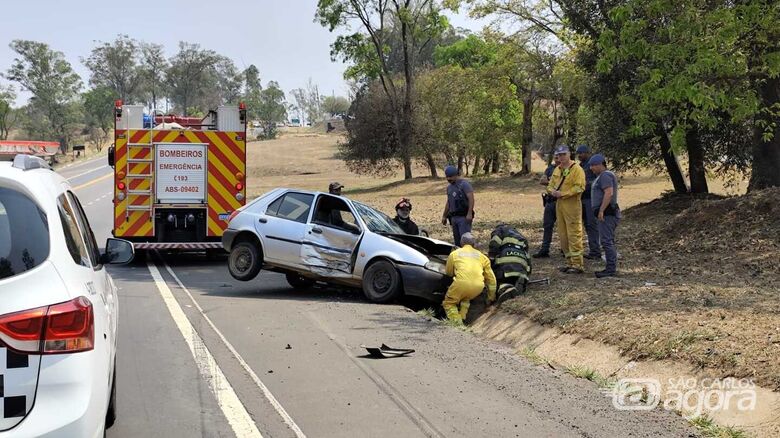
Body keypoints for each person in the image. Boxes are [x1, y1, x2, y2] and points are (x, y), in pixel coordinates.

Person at [547, 145, 586, 274]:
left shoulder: (577, 170)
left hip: (572, 205)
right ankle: (569, 262)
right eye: (559, 155)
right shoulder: (557, 170)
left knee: (574, 233)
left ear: (569, 154)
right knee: (563, 234)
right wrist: (552, 192)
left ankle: (577, 264)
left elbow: (579, 187)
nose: (561, 157)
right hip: (560, 205)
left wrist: (564, 193)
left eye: (564, 154)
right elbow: (550, 185)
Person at [443, 232, 497, 325]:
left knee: (449, 303)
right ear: (474, 244)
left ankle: (457, 324)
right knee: (466, 298)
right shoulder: (482, 256)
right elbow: (491, 279)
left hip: (461, 284)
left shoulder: (454, 254)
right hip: (478, 287)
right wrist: (491, 297)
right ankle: (463, 317)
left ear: (461, 243)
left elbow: (448, 273)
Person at [588, 154, 621, 278]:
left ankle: (610, 269)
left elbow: (609, 193)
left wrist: (601, 210)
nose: (591, 168)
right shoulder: (600, 176)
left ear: (601, 164)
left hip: (607, 214)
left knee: (606, 241)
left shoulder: (606, 175)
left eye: (594, 165)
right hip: (604, 213)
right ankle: (610, 266)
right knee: (607, 240)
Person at [576, 145, 601, 260]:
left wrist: (585, 185)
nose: (579, 155)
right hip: (581, 199)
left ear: (587, 152)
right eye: (578, 153)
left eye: (581, 153)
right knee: (586, 224)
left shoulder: (593, 165)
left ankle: (596, 251)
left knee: (592, 224)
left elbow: (598, 180)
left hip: (591, 198)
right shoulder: (580, 166)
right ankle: (592, 250)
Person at [533, 154, 561, 258]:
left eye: (559, 156)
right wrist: (553, 183)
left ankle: (565, 249)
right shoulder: (550, 169)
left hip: (562, 202)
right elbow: (542, 181)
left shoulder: (568, 168)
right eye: (556, 157)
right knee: (547, 225)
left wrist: (551, 184)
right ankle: (545, 249)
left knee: (563, 227)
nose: (557, 159)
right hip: (550, 201)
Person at [441, 165, 475, 247]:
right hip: (454, 217)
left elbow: (471, 199)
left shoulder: (464, 185)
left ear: (456, 175)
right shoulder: (449, 188)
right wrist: (444, 216)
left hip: (463, 217)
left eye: (451, 177)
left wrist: (469, 213)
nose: (449, 179)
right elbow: (449, 202)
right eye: (447, 177)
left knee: (465, 240)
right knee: (457, 241)